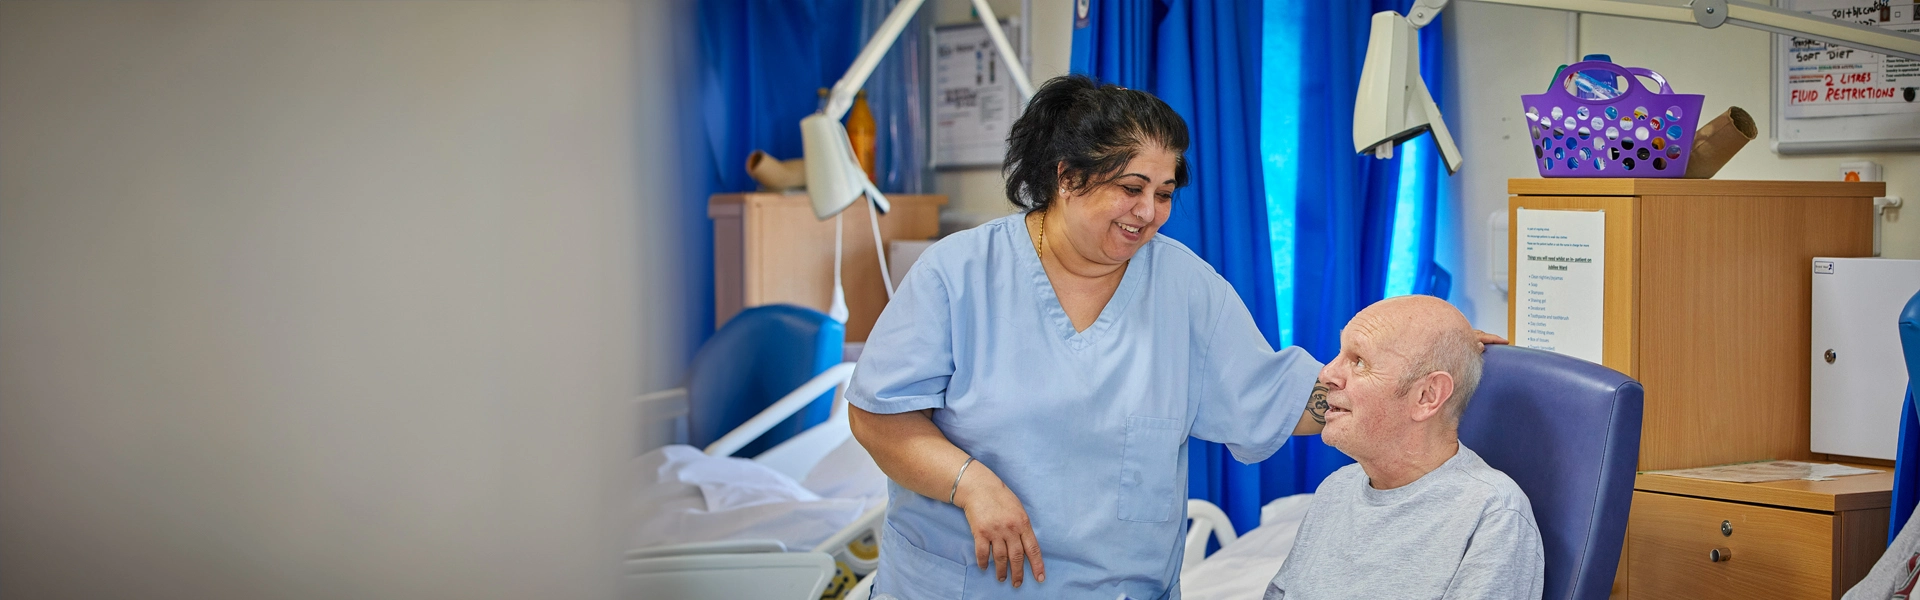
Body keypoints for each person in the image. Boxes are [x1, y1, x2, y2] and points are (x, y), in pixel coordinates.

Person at [844, 75, 1324, 598]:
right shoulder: (958, 274)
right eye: (1131, 188)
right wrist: (970, 483)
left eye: (1164, 194)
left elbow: (1274, 398)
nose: (1149, 213)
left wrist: (1391, 396)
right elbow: (877, 415)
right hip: (958, 584)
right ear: (1068, 178)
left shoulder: (1186, 289)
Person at [1263, 295, 1544, 600]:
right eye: (1340, 353)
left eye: (1359, 361)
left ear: (1427, 396)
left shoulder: (1493, 515)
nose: (1326, 374)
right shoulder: (1336, 488)